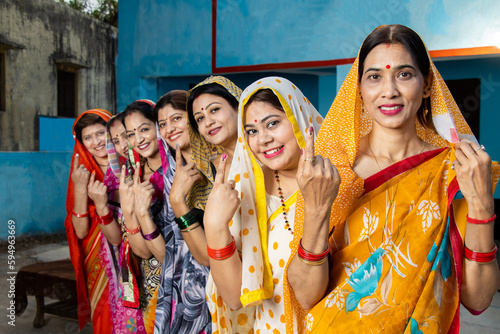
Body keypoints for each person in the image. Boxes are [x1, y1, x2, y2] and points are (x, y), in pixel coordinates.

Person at [288, 24, 500, 333]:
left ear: (427, 84)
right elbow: (306, 296)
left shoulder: (455, 170)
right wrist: (318, 211)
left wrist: (482, 209)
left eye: (404, 74)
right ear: (358, 89)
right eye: (375, 77)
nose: (389, 90)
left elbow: (478, 300)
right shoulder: (334, 171)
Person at [204, 77, 339, 333]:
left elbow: (313, 295)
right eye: (252, 131)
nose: (263, 139)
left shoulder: (337, 180)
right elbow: (234, 297)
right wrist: (214, 225)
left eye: (273, 123)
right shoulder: (248, 194)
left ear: (300, 119)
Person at [152, 90, 213, 333]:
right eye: (162, 124)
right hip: (176, 279)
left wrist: (179, 200)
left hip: (214, 278)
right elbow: (169, 242)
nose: (169, 129)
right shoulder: (168, 176)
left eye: (177, 118)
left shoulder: (218, 165)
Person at [65, 109, 122, 332]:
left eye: (101, 133)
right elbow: (79, 232)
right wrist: (81, 189)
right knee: (107, 314)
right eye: (88, 137)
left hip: (138, 250)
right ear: (81, 143)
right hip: (101, 259)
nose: (96, 142)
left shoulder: (133, 161)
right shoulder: (82, 174)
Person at [121, 99, 164, 333]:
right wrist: (131, 211)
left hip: (188, 274)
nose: (139, 140)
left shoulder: (186, 169)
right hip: (152, 279)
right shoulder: (131, 178)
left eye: (145, 129)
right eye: (131, 134)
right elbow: (142, 252)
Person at [103, 112, 148, 333]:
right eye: (116, 140)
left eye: (126, 135)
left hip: (157, 263)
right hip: (129, 263)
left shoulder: (156, 173)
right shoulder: (118, 176)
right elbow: (115, 238)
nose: (122, 145)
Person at [187, 76, 241, 182]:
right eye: (200, 118)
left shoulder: (270, 154)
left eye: (214, 110)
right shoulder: (208, 174)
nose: (208, 122)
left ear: (238, 107)